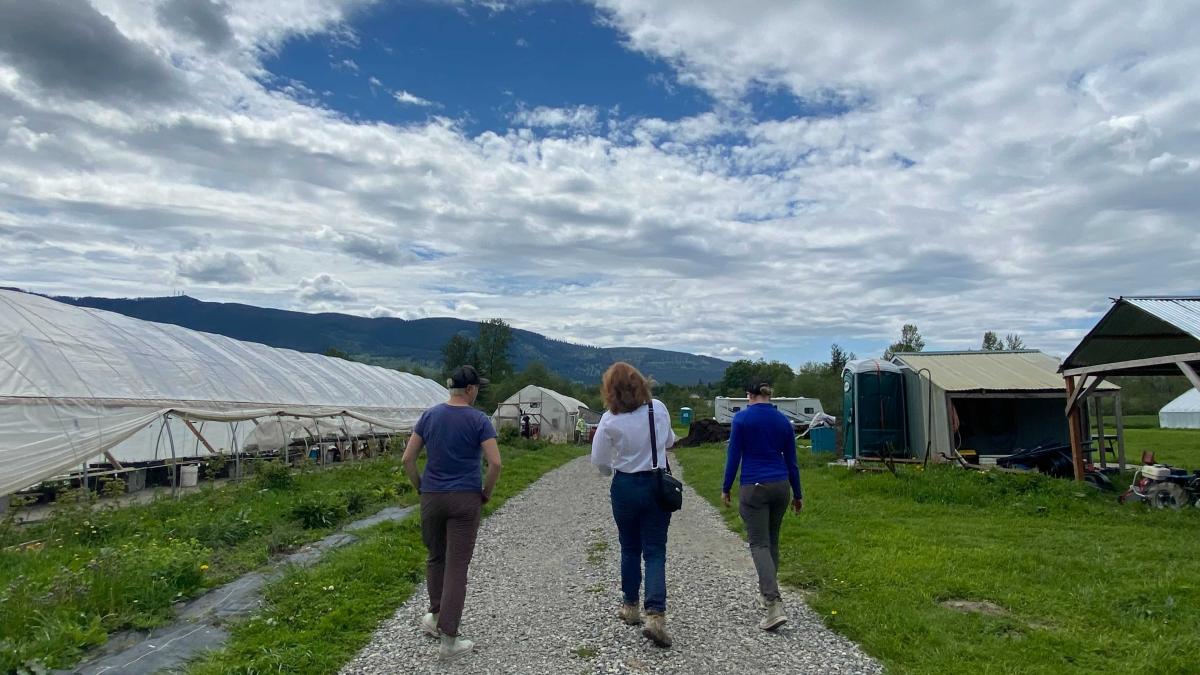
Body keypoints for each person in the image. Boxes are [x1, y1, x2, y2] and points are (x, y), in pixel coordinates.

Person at [402, 365, 502, 661]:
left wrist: (421, 488)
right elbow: (495, 463)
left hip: (432, 496)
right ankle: (449, 641)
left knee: (436, 557)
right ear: (470, 390)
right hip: (465, 499)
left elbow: (408, 459)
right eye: (478, 388)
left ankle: (434, 618)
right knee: (457, 566)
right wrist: (486, 492)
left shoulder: (430, 415)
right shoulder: (479, 419)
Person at [590, 362, 677, 648]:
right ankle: (656, 616)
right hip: (655, 484)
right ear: (641, 384)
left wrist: (612, 470)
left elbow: (600, 462)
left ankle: (630, 607)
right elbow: (670, 441)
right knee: (654, 550)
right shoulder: (659, 409)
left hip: (625, 486)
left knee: (629, 547)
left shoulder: (609, 420)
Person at [721, 378, 803, 632]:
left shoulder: (742, 420)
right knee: (773, 540)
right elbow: (792, 461)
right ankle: (768, 591)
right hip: (781, 485)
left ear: (750, 395)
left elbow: (734, 456)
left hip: (754, 485)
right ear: (768, 395)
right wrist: (798, 493)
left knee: (759, 543)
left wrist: (726, 487)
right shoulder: (783, 421)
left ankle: (772, 603)